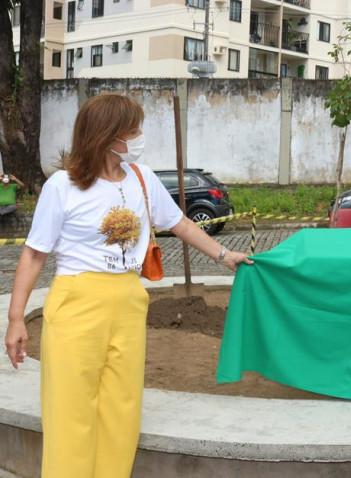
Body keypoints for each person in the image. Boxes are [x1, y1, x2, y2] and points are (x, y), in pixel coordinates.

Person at [3, 94, 253, 478]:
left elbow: (180, 224)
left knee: (121, 411)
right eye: (132, 129)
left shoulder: (142, 178)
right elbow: (35, 254)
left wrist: (224, 255)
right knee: (71, 412)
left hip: (128, 301)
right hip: (76, 304)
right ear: (108, 135)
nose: (139, 137)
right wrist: (16, 318)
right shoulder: (62, 186)